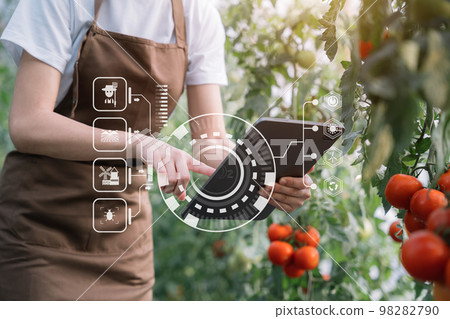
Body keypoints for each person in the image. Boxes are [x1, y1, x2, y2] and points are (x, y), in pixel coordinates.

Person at [0, 0, 312, 300]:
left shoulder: (197, 14)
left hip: (123, 244)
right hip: (41, 232)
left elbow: (210, 145)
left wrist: (260, 176)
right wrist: (141, 143)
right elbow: (28, 123)